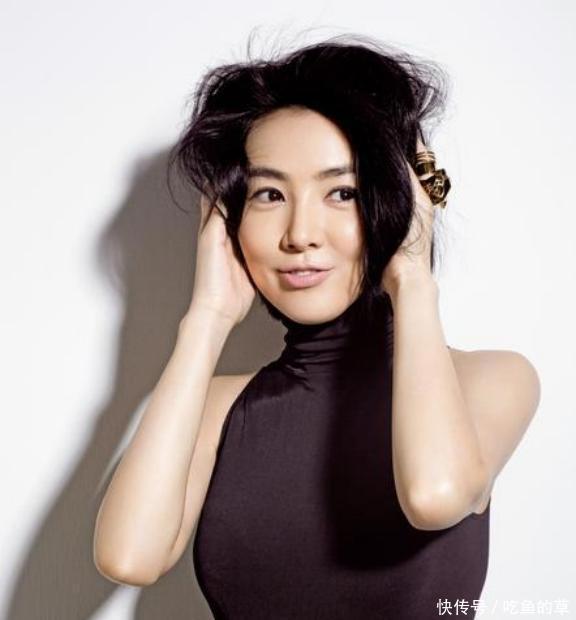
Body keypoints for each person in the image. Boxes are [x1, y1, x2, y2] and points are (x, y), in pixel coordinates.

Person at [93, 33, 541, 618]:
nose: (300, 234)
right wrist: (206, 317)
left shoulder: (492, 381)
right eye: (269, 194)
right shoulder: (217, 408)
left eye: (343, 192)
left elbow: (433, 497)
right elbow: (129, 558)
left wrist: (412, 277)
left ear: (399, 203)